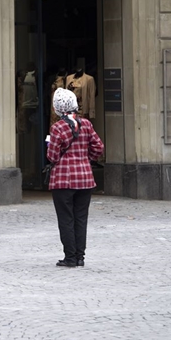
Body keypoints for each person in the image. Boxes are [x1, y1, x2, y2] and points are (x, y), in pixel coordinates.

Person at [47, 88, 104, 267]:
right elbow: (98, 147)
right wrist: (87, 159)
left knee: (66, 219)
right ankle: (80, 257)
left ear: (57, 106)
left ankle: (70, 257)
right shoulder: (86, 124)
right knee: (81, 218)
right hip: (85, 178)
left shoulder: (57, 128)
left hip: (63, 180)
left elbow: (52, 156)